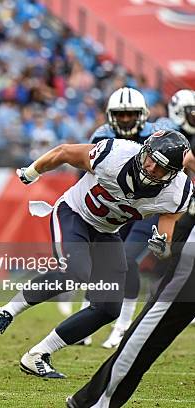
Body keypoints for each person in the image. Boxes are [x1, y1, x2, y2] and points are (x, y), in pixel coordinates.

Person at [0, 129, 191, 378]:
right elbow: (64, 152)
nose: (151, 168)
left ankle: (38, 354)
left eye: (161, 168)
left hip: (107, 233)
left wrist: (161, 247)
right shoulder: (116, 154)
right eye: (151, 159)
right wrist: (31, 172)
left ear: (173, 174)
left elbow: (165, 239)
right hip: (74, 214)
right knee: (75, 273)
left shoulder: (177, 194)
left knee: (109, 308)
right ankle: (5, 313)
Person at [67, 143, 195, 408]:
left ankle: (96, 400)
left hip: (152, 217)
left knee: (154, 323)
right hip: (112, 216)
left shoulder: (176, 186)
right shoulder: (117, 150)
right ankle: (95, 400)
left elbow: (188, 161)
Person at [82, 87, 177, 349]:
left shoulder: (159, 133)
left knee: (126, 261)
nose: (125, 119)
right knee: (100, 261)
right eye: (120, 115)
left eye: (130, 114)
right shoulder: (101, 135)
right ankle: (88, 320)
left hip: (147, 209)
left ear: (142, 114)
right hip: (115, 209)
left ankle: (122, 326)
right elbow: (86, 175)